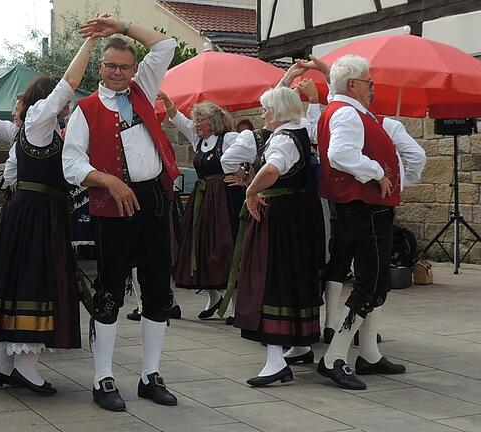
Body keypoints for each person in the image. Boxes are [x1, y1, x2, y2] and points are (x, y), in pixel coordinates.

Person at [0, 31, 97, 395]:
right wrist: (89, 43)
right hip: (36, 213)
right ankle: (24, 367)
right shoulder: (38, 120)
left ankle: (3, 366)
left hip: (32, 212)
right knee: (35, 281)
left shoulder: (32, 129)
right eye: (60, 103)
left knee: (20, 280)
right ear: (47, 101)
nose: (66, 106)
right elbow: (68, 84)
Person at [62, 17, 179, 411]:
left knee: (158, 288)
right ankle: (103, 378)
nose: (117, 72)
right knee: (110, 289)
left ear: (134, 69)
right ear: (101, 67)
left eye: (124, 66)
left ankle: (150, 375)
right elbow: (71, 164)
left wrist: (124, 26)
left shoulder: (143, 89)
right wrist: (109, 181)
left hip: (154, 200)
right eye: (111, 65)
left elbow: (165, 46)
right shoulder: (86, 109)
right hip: (112, 202)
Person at [310, 54, 425, 390]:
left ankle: (370, 353)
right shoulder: (346, 112)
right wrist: (377, 173)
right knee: (372, 283)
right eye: (369, 82)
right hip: (364, 208)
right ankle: (334, 357)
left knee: (371, 280)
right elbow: (340, 155)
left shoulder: (342, 108)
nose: (373, 88)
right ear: (353, 85)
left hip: (359, 206)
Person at [227, 87, 325, 387]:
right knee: (296, 277)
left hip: (279, 218)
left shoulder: (283, 139)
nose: (263, 113)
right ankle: (301, 345)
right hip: (301, 216)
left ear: (278, 110)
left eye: (266, 108)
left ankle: (275, 360)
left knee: (271, 279)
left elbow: (271, 170)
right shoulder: (302, 129)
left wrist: (251, 190)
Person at [159, 93, 244, 320]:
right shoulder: (199, 140)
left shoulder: (229, 138)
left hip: (225, 199)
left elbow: (254, 151)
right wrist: (167, 102)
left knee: (226, 247)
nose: (195, 124)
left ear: (213, 121)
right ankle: (213, 295)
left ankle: (234, 304)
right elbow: (178, 119)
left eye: (200, 120)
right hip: (203, 200)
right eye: (195, 120)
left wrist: (245, 179)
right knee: (200, 247)